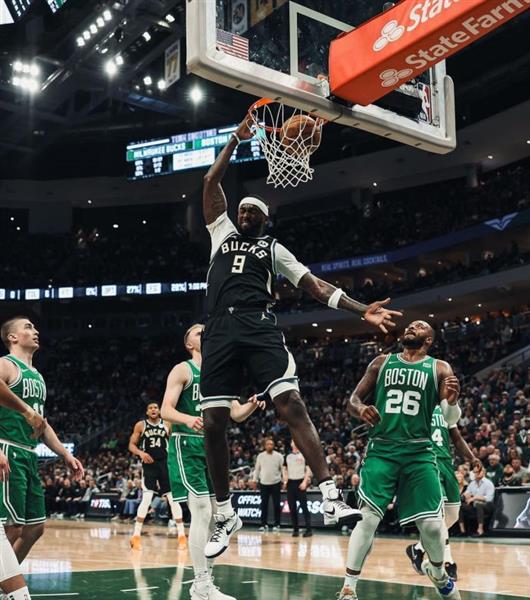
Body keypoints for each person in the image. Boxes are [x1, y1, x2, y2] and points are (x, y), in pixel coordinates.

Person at [200, 116, 402, 559]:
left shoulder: (274, 249)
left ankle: (329, 494)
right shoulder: (220, 232)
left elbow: (316, 286)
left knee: (291, 403)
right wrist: (234, 140)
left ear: (265, 219)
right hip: (218, 329)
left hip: (258, 325)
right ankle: (224, 512)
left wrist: (361, 309)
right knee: (213, 421)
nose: (244, 214)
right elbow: (211, 181)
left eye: (253, 212)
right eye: (242, 209)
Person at [338, 320, 462, 600]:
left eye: (419, 327)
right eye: (410, 326)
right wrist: (361, 409)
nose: (411, 328)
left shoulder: (440, 368)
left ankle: (437, 572)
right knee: (367, 519)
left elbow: (449, 418)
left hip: (419, 453)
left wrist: (453, 402)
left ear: (429, 339)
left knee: (433, 526)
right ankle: (348, 588)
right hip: (382, 450)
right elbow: (353, 400)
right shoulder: (381, 362)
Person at [160, 323, 265, 600]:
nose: (204, 333)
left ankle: (205, 584)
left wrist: (253, 404)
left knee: (215, 519)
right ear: (189, 344)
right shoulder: (183, 370)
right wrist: (187, 419)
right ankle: (201, 583)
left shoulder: (221, 373)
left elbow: (237, 414)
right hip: (186, 444)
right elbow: (166, 410)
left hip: (212, 447)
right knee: (202, 511)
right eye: (198, 332)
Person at [0, 317, 83, 574]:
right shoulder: (6, 364)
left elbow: (41, 424)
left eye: (35, 327)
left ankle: (5, 580)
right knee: (11, 528)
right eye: (28, 327)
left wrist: (66, 454)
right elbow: (29, 414)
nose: (35, 330)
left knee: (35, 527)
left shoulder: (37, 376)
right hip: (8, 448)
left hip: (28, 453)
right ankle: (8, 583)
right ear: (12, 337)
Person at [406, 404, 480, 580]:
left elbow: (457, 438)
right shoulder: (419, 403)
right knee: (439, 516)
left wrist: (472, 458)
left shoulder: (446, 408)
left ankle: (418, 548)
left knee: (452, 515)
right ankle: (448, 562)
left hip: (447, 463)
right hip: (427, 462)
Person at [128, 402, 186, 550]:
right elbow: (131, 445)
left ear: (159, 411)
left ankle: (181, 536)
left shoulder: (167, 424)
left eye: (156, 407)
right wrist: (141, 453)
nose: (153, 409)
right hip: (149, 465)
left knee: (173, 499)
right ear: (147, 412)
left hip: (165, 464)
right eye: (150, 408)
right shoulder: (141, 425)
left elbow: (174, 442)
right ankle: (136, 536)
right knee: (146, 498)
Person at [283, 440, 312, 537]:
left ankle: (309, 530)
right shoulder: (287, 456)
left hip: (300, 482)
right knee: (292, 508)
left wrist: (305, 482)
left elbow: (308, 469)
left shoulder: (304, 455)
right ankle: (295, 530)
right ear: (291, 444)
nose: (294, 443)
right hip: (291, 483)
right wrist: (285, 480)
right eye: (293, 441)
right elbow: (284, 469)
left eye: (296, 441)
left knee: (304, 507)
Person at [253, 438, 283, 532]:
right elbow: (257, 469)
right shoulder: (260, 456)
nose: (270, 446)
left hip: (276, 483)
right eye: (268, 444)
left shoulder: (279, 456)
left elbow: (282, 469)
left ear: (273, 446)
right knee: (264, 505)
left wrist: (285, 481)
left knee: (276, 505)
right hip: (264, 483)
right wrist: (254, 480)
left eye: (271, 444)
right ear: (265, 446)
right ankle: (263, 524)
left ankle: (277, 524)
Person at [459, 465, 495, 537]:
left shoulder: (488, 483)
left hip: (488, 505)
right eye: (475, 472)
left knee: (479, 504)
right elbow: (467, 493)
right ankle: (462, 531)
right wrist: (464, 496)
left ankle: (480, 530)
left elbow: (489, 498)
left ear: (483, 472)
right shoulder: (472, 483)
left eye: (478, 471)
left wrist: (475, 497)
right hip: (474, 505)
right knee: (460, 506)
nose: (476, 473)